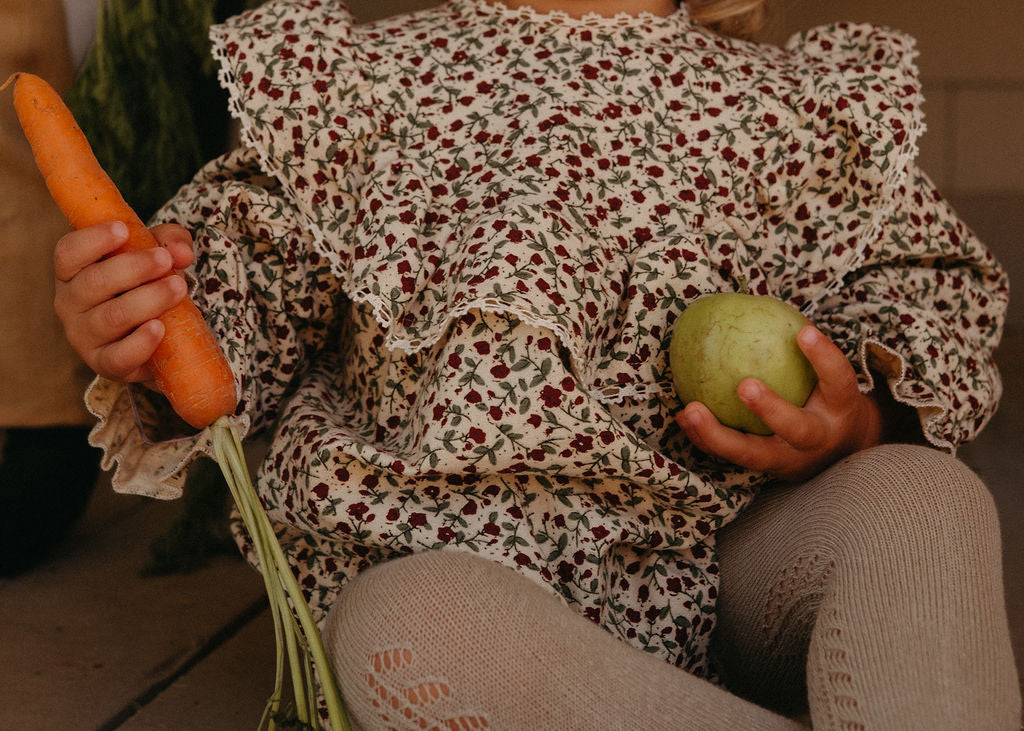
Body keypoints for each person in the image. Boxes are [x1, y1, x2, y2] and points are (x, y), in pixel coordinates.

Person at [50, 0, 1021, 727]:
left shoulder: (792, 103)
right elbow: (240, 294)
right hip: (463, 580)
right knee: (406, 627)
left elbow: (911, 283)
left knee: (923, 503)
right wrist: (146, 318)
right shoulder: (356, 85)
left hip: (725, 556)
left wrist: (849, 417)